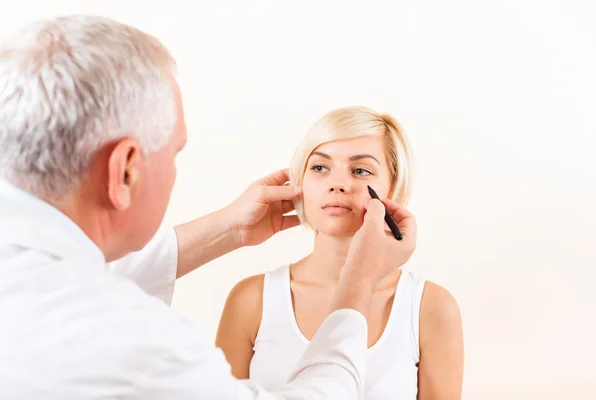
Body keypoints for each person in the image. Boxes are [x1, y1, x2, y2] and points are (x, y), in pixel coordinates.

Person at [0, 15, 418, 399]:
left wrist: (230, 229)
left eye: (361, 171)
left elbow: (97, 276)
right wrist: (359, 282)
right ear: (125, 170)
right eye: (174, 152)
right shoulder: (140, 345)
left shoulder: (28, 275)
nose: (340, 183)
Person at [216, 106, 464, 399]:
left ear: (393, 188)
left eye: (360, 170)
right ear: (300, 181)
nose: (338, 184)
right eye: (320, 167)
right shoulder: (250, 301)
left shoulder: (431, 308)